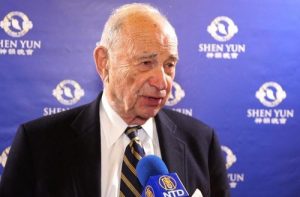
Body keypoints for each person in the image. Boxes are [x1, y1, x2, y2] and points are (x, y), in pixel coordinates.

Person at [0, 3, 230, 197]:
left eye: (169, 65)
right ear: (104, 62)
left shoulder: (201, 141)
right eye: (146, 63)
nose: (162, 82)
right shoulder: (38, 144)